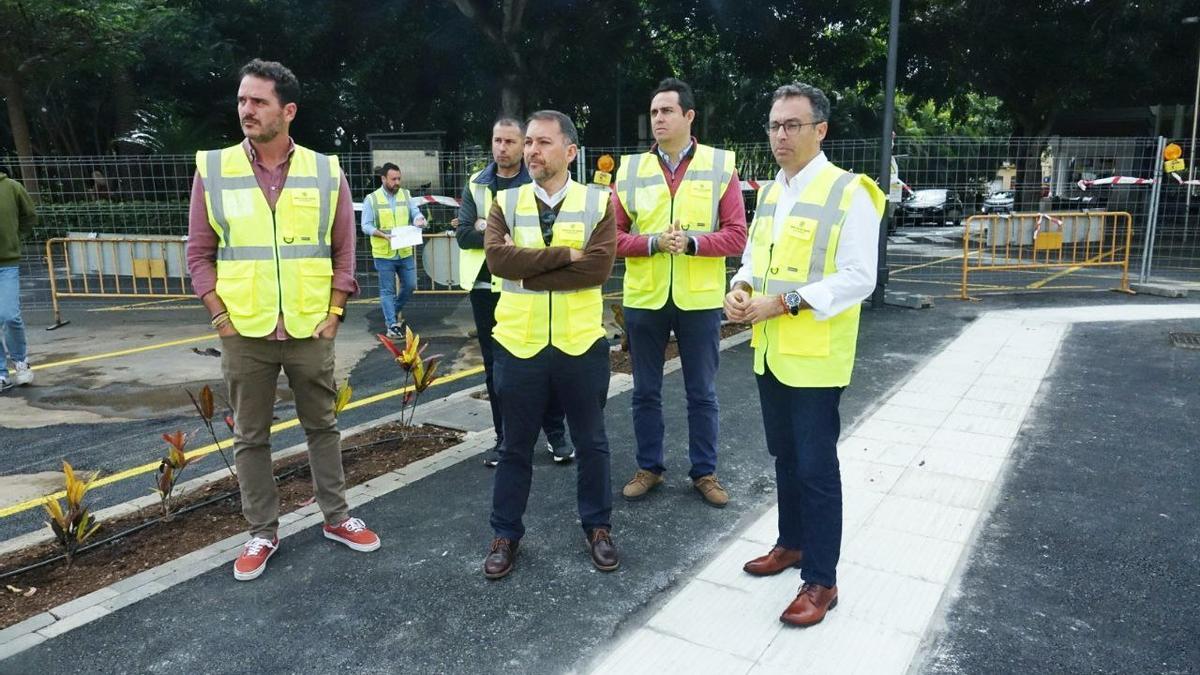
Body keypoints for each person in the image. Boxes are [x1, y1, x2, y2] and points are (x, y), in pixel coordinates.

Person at [186, 59, 380, 582]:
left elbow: (345, 249)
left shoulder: (324, 170)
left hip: (309, 326)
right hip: (244, 331)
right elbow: (199, 254)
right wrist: (220, 318)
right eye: (242, 100)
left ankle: (337, 518)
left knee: (323, 425)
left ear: (287, 111)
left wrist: (336, 312)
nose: (245, 110)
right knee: (251, 436)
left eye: (258, 102)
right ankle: (262, 532)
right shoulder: (214, 168)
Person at [724, 83, 884, 626]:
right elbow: (753, 256)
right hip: (771, 351)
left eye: (792, 125)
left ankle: (821, 579)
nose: (780, 135)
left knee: (816, 469)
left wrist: (785, 303)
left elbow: (861, 278)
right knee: (785, 458)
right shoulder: (771, 191)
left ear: (820, 130)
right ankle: (790, 545)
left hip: (816, 357)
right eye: (774, 125)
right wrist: (741, 287)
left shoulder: (850, 192)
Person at [481, 110, 617, 579]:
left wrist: (531, 270)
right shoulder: (506, 201)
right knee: (514, 447)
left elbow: (597, 270)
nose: (532, 151)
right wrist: (563, 258)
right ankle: (505, 535)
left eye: (543, 143)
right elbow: (498, 259)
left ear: (570, 152)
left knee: (593, 444)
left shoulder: (598, 203)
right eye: (529, 142)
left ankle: (598, 527)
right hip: (519, 345)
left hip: (581, 345)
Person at [611, 78, 747, 508]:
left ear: (689, 116)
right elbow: (612, 237)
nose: (658, 120)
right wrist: (651, 243)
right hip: (645, 298)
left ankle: (704, 472)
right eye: (653, 113)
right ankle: (649, 467)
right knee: (645, 391)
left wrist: (693, 243)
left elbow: (737, 237)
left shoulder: (720, 165)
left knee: (701, 392)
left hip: (699, 301)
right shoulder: (630, 170)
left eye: (667, 111)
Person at [456, 117, 574, 467]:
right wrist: (499, 236)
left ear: (523, 145)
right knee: (496, 369)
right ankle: (503, 438)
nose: (503, 148)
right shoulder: (476, 183)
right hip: (485, 287)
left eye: (511, 141)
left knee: (544, 358)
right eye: (498, 140)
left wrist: (487, 228)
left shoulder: (537, 181)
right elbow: (463, 234)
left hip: (526, 285)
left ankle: (555, 434)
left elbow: (548, 233)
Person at [361, 162, 427, 338]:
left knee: (411, 285)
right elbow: (365, 225)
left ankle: (391, 311)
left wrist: (420, 219)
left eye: (399, 178)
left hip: (404, 251)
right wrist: (381, 234)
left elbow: (415, 213)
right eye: (393, 179)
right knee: (387, 290)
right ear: (383, 179)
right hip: (384, 253)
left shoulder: (406, 195)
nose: (397, 182)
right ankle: (392, 324)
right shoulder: (372, 199)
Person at [0, 165, 37, 392]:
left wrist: (17, 238)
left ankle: (20, 361)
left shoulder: (12, 187)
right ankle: (1, 373)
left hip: (7, 263)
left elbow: (30, 216)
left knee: (9, 315)